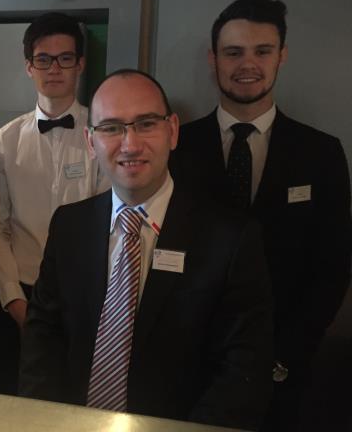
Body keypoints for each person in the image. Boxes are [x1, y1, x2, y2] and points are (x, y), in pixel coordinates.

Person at [20, 69, 273, 431]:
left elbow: (244, 369)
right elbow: (42, 336)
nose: (130, 144)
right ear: (91, 142)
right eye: (110, 128)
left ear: (172, 131)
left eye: (145, 124)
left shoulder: (230, 238)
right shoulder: (69, 226)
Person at [172, 0, 352, 431]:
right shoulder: (177, 148)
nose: (247, 64)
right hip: (187, 363)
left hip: (283, 367)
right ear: (213, 58)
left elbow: (332, 267)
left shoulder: (322, 154)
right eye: (233, 52)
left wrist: (287, 354)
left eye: (262, 51)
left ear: (282, 56)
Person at [0, 12, 109, 393]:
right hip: (20, 295)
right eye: (44, 59)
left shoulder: (105, 133)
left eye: (65, 58)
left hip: (90, 295)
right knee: (17, 403)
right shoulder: (3, 142)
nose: (54, 68)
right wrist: (13, 300)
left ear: (80, 64)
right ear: (29, 66)